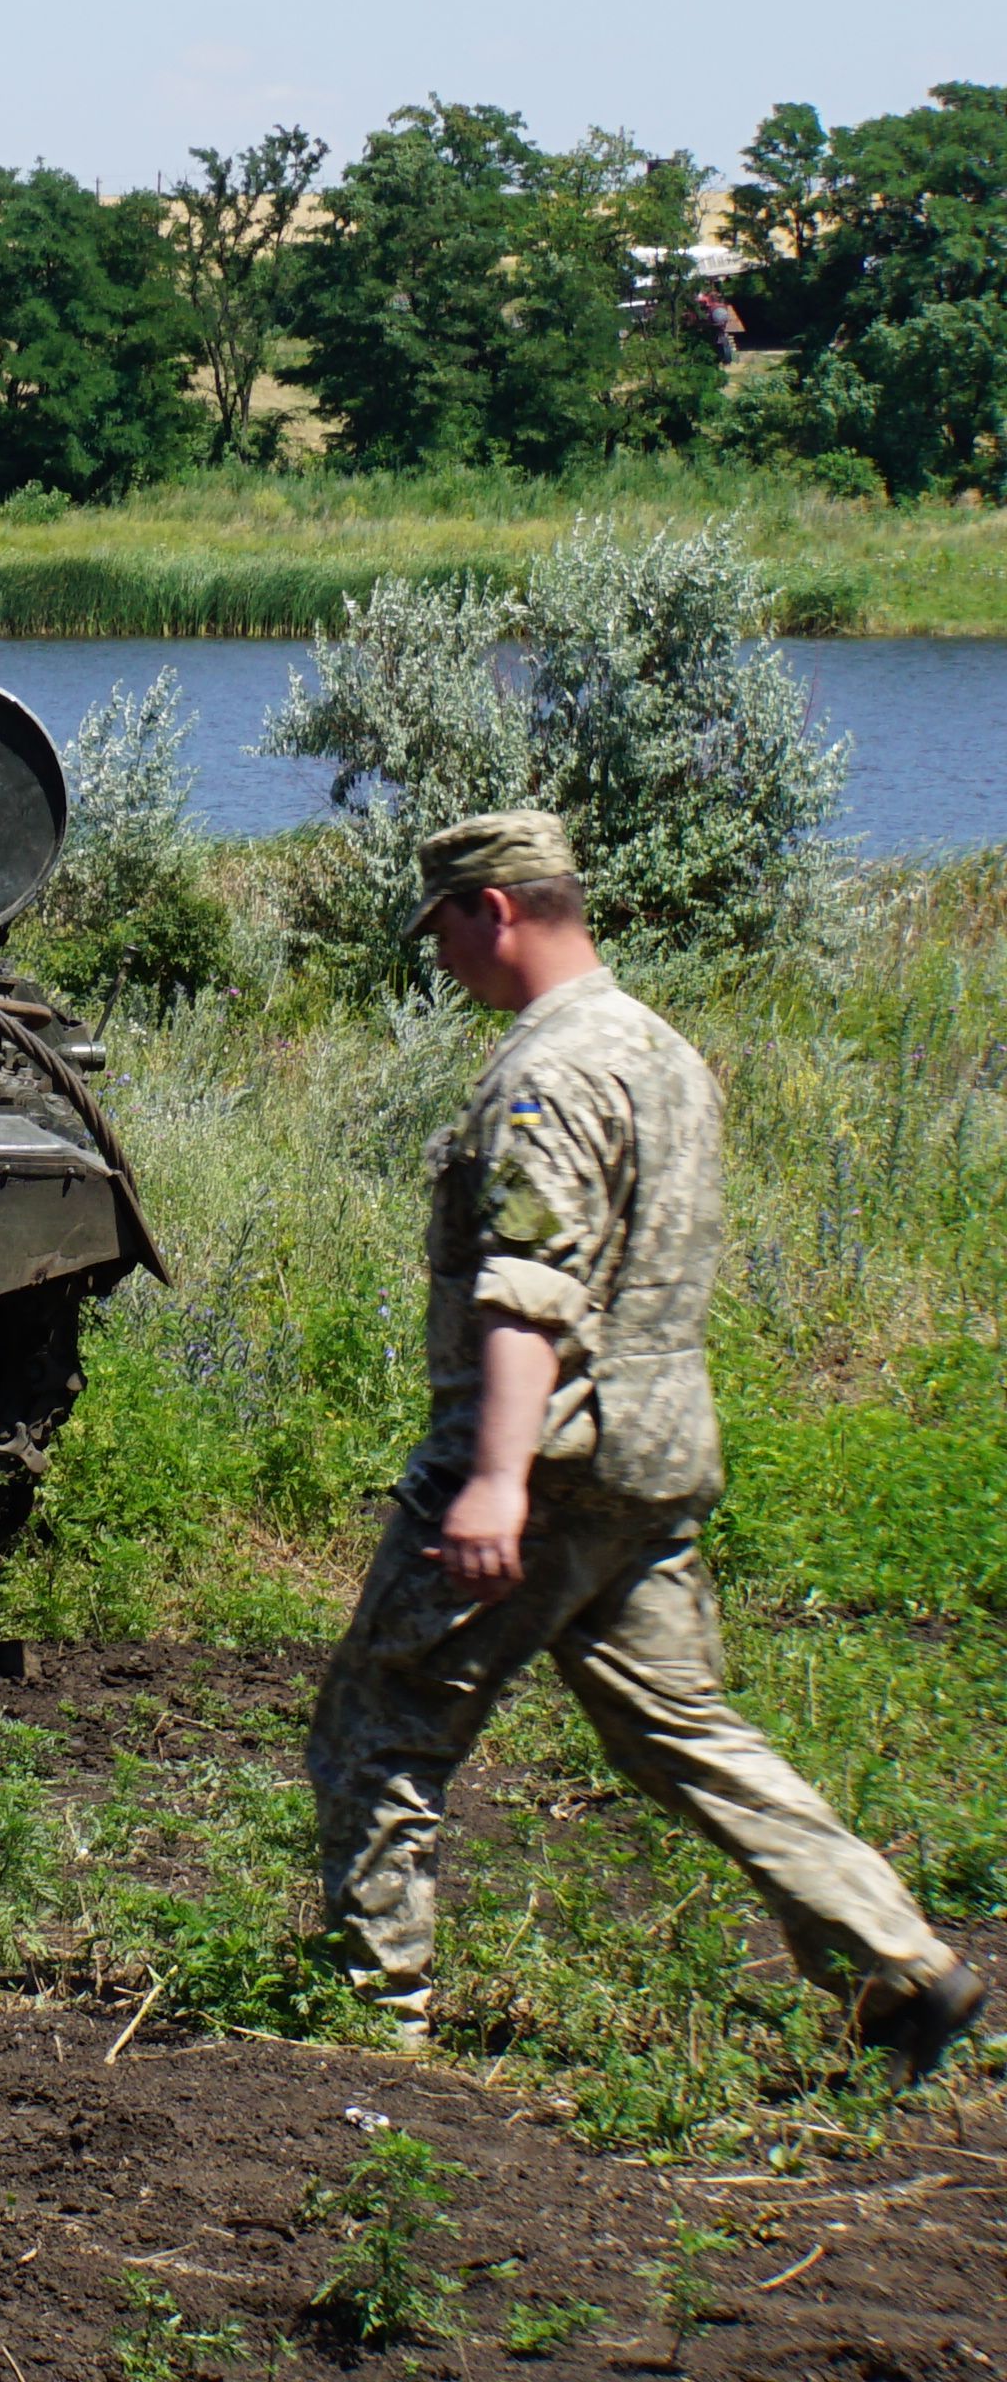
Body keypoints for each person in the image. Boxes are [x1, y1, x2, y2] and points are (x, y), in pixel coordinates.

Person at [309, 811, 984, 2076]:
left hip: (544, 1457)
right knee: (681, 1726)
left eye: (444, 925)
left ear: (496, 910)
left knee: (378, 1722)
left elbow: (527, 1288)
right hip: (657, 1452)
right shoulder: (662, 1050)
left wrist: (495, 1479)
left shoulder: (544, 1071)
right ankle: (900, 1960)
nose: (440, 956)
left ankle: (363, 2028)